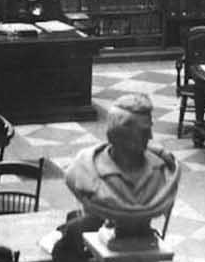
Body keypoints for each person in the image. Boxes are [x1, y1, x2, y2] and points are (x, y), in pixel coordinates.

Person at [64, 94, 180, 241]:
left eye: (149, 130)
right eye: (143, 132)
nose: (150, 137)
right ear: (120, 135)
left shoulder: (162, 172)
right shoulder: (85, 170)